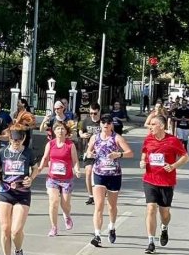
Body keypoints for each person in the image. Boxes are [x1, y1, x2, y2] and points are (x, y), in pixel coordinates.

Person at [139, 115, 189, 254]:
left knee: (165, 213)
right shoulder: (148, 139)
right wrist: (142, 161)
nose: (150, 127)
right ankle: (150, 241)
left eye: (153, 124)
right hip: (150, 179)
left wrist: (173, 166)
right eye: (150, 125)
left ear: (161, 126)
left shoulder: (173, 141)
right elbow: (144, 152)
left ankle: (164, 227)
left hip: (166, 182)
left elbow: (186, 157)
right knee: (150, 208)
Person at [0, 128, 39, 255]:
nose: (15, 142)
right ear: (9, 139)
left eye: (18, 140)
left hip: (22, 193)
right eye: (13, 140)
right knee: (5, 228)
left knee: (16, 230)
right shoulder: (2, 152)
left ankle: (18, 250)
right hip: (5, 192)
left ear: (23, 139)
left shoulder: (28, 153)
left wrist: (31, 178)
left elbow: (35, 168)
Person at [85, 114, 133, 247]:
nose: (105, 125)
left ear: (111, 124)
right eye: (103, 123)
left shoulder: (117, 138)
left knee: (111, 206)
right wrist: (90, 154)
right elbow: (88, 151)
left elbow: (130, 153)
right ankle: (97, 235)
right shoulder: (95, 138)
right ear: (100, 124)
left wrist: (119, 154)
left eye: (108, 123)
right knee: (99, 205)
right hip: (99, 173)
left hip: (114, 174)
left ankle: (112, 227)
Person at [38, 122, 81, 236]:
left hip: (67, 179)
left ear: (66, 131)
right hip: (53, 178)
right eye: (58, 129)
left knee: (65, 204)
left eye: (62, 129)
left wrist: (77, 170)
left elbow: (75, 160)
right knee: (53, 202)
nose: (60, 131)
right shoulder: (50, 144)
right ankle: (54, 227)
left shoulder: (70, 145)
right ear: (54, 131)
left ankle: (66, 215)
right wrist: (40, 168)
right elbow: (45, 157)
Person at [79, 103, 102, 205]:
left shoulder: (103, 122)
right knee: (88, 172)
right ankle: (91, 196)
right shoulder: (86, 121)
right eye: (91, 113)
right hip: (88, 150)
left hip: (101, 152)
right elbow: (80, 131)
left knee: (100, 173)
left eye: (95, 113)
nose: (92, 115)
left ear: (99, 111)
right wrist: (82, 134)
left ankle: (101, 192)